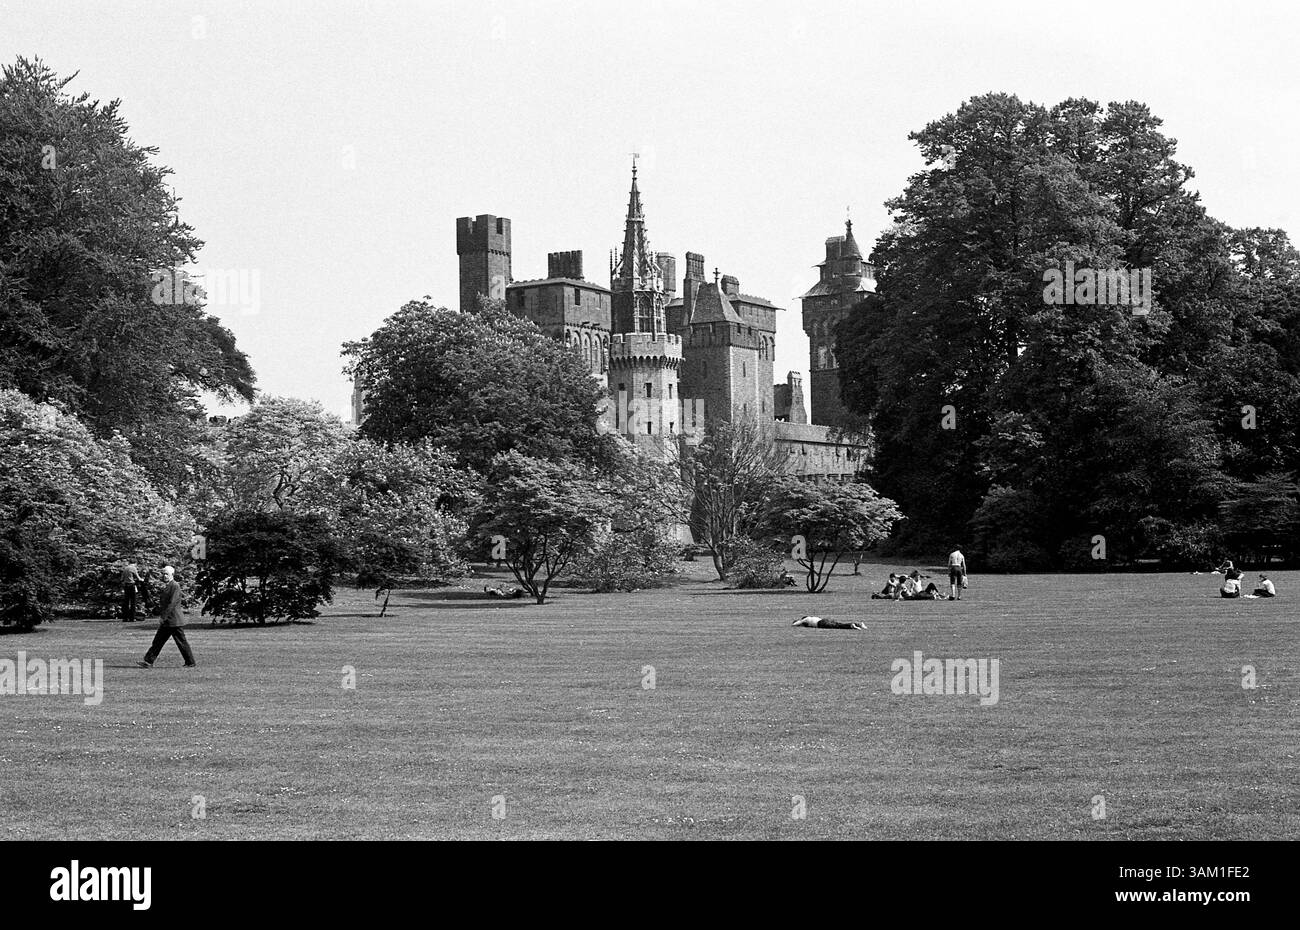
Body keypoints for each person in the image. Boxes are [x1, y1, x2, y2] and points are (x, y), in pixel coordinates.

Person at [138, 566, 196, 668]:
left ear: (172, 575)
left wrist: (163, 617)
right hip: (169, 620)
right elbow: (165, 603)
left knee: (181, 642)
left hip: (173, 620)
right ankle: (148, 661)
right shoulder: (168, 586)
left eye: (166, 574)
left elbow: (172, 604)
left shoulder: (175, 586)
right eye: (163, 574)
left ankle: (190, 662)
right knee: (158, 641)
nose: (164, 576)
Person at [792, 615, 867, 630]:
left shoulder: (806, 619)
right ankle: (859, 624)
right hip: (824, 620)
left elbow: (795, 624)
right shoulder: (812, 618)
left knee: (837, 626)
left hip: (821, 624)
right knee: (838, 624)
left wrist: (798, 622)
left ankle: (851, 625)